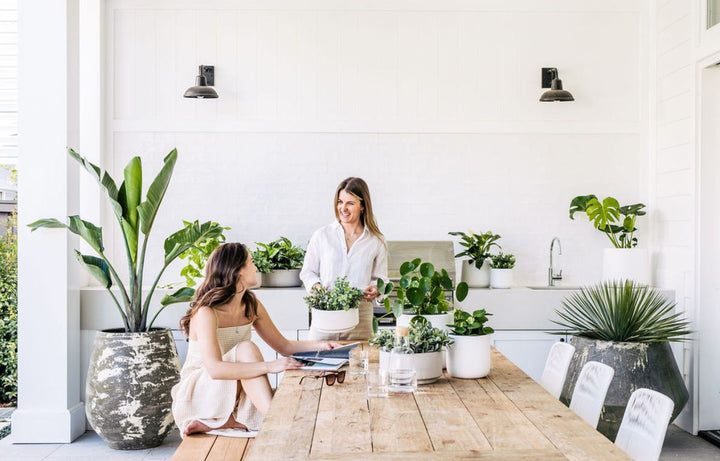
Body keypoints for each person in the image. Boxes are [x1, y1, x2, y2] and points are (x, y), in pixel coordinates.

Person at [171, 242, 339, 437]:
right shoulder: (206, 312)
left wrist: (323, 346)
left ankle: (233, 421)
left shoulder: (250, 303)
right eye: (251, 262)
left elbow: (284, 345)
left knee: (248, 353)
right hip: (202, 390)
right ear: (237, 271)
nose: (256, 266)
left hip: (234, 389)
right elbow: (215, 370)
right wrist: (270, 366)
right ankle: (272, 420)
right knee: (246, 348)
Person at [300, 177, 388, 340]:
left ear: (363, 206)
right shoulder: (322, 235)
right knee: (317, 363)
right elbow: (308, 272)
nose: (343, 208)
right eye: (340, 202)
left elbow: (381, 280)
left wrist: (376, 289)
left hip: (360, 318)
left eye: (350, 203)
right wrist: (317, 287)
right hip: (326, 315)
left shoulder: (376, 241)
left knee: (360, 364)